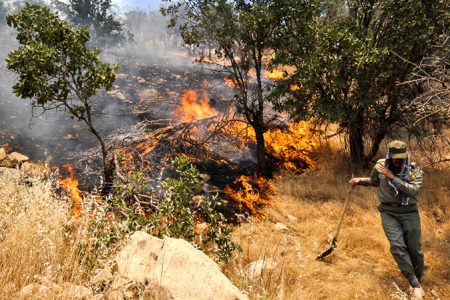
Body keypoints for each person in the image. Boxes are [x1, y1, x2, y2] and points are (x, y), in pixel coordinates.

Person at [349, 140, 425, 300]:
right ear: (390, 155)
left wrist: (393, 178)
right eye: (395, 158)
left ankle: (418, 276)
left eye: (401, 158)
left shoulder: (414, 169)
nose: (399, 161)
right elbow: (375, 181)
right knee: (397, 246)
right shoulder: (380, 165)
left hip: (409, 212)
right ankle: (414, 284)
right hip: (388, 212)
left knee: (414, 249)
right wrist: (359, 181)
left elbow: (413, 191)